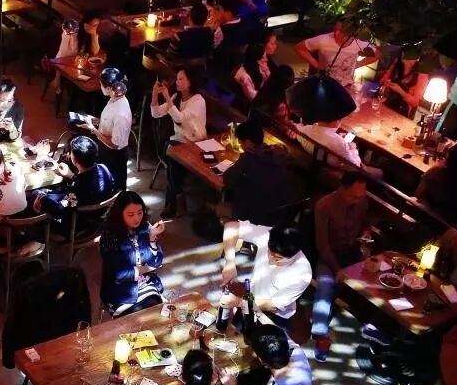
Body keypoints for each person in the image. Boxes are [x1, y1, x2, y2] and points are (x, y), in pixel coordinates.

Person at [311, 172, 371, 340]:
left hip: (354, 254)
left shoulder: (362, 201)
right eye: (353, 196)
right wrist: (338, 270)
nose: (357, 200)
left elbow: (366, 224)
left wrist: (366, 233)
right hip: (331, 257)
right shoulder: (325, 206)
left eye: (360, 196)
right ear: (343, 189)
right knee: (325, 286)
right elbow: (322, 245)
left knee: (372, 284)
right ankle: (318, 332)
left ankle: (368, 332)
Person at [220, 223, 312, 327]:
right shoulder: (268, 235)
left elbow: (272, 306)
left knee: (266, 336)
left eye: (278, 258)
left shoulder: (302, 273)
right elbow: (231, 227)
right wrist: (230, 263)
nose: (270, 258)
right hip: (249, 300)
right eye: (269, 251)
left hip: (274, 315)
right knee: (234, 330)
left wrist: (238, 302)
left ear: (294, 255)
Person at [222, 118, 305, 226]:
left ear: (248, 142)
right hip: (286, 214)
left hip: (262, 217)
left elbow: (227, 178)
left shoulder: (249, 159)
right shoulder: (280, 152)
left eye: (241, 142)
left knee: (221, 208)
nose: (241, 146)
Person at [151, 67, 208, 218]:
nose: (177, 81)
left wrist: (167, 97)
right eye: (177, 78)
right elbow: (156, 113)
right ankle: (177, 198)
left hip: (195, 145)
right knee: (172, 154)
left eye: (181, 79)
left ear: (191, 82)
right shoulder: (177, 97)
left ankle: (174, 202)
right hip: (179, 143)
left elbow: (179, 118)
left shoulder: (198, 101)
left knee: (171, 157)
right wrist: (155, 95)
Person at [100, 191, 165, 316]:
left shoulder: (145, 228)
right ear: (120, 214)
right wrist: (144, 269)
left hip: (146, 284)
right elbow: (117, 274)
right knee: (143, 316)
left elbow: (157, 262)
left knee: (156, 313)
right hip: (121, 292)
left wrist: (152, 238)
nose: (137, 218)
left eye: (140, 213)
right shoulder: (109, 237)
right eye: (131, 215)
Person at [32, 135, 117, 226]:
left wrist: (42, 199)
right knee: (43, 192)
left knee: (35, 194)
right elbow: (88, 182)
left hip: (76, 222)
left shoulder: (78, 190)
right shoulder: (104, 168)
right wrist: (71, 175)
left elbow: (60, 210)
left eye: (70, 153)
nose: (68, 154)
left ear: (75, 160)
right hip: (95, 214)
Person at [77, 68, 132, 191]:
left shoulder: (121, 114)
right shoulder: (115, 97)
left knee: (113, 188)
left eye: (101, 84)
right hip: (104, 149)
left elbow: (114, 144)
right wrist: (96, 121)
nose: (100, 86)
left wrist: (93, 129)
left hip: (114, 156)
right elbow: (110, 121)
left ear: (109, 88)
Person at [294, 18, 377, 89]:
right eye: (335, 29)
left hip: (346, 87)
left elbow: (377, 53)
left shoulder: (359, 43)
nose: (336, 33)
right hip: (324, 84)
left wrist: (358, 64)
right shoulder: (323, 40)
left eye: (341, 31)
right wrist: (316, 64)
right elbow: (299, 47)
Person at [379, 47, 432, 116]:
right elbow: (383, 80)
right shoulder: (397, 63)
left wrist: (400, 91)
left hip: (401, 110)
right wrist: (386, 83)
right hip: (385, 103)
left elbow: (414, 103)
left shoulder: (422, 75)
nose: (405, 60)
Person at [233, 34, 279, 109]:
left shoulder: (260, 69)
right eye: (263, 58)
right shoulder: (245, 77)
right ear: (256, 61)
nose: (266, 60)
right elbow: (256, 100)